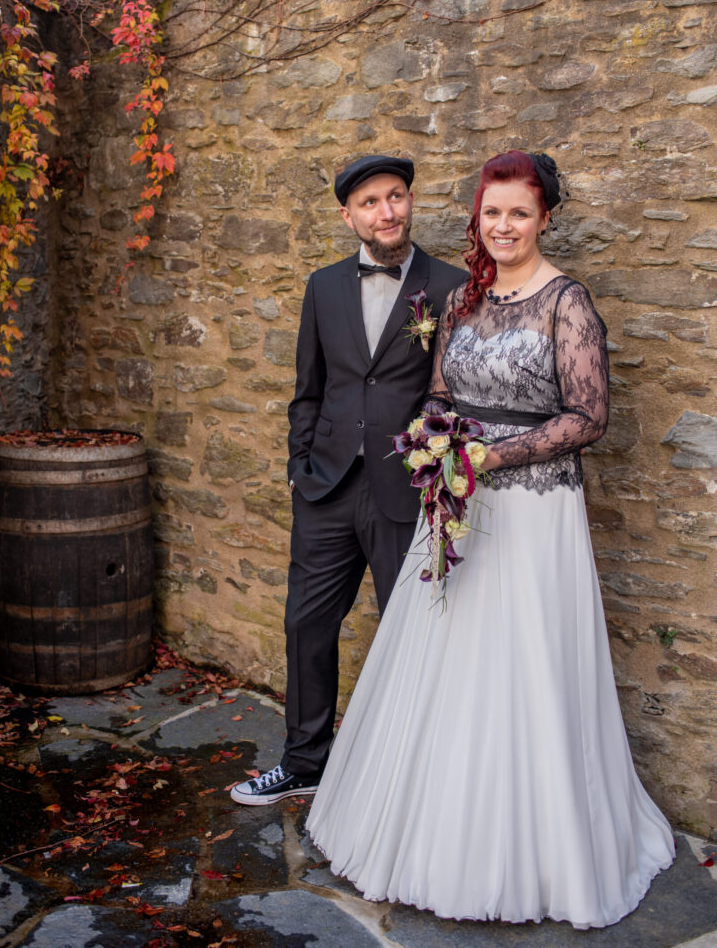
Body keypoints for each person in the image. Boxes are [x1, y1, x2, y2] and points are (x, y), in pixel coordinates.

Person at [306, 150, 675, 928]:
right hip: (458, 506)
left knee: (524, 669)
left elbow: (588, 418)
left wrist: (491, 456)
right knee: (448, 667)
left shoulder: (564, 302)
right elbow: (440, 389)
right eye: (491, 212)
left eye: (519, 213)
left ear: (544, 219)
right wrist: (436, 442)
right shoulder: (465, 298)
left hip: (534, 515)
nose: (502, 226)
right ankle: (430, 832)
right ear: (477, 216)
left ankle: (538, 850)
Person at [231, 154, 466, 805]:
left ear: (410, 201)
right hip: (326, 489)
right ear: (348, 215)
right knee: (306, 625)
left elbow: (458, 390)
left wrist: (435, 473)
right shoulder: (323, 286)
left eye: (395, 197)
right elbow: (308, 390)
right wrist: (298, 470)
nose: (386, 211)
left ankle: (410, 774)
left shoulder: (450, 285)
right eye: (370, 202)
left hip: (408, 491)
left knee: (412, 633)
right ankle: (304, 763)